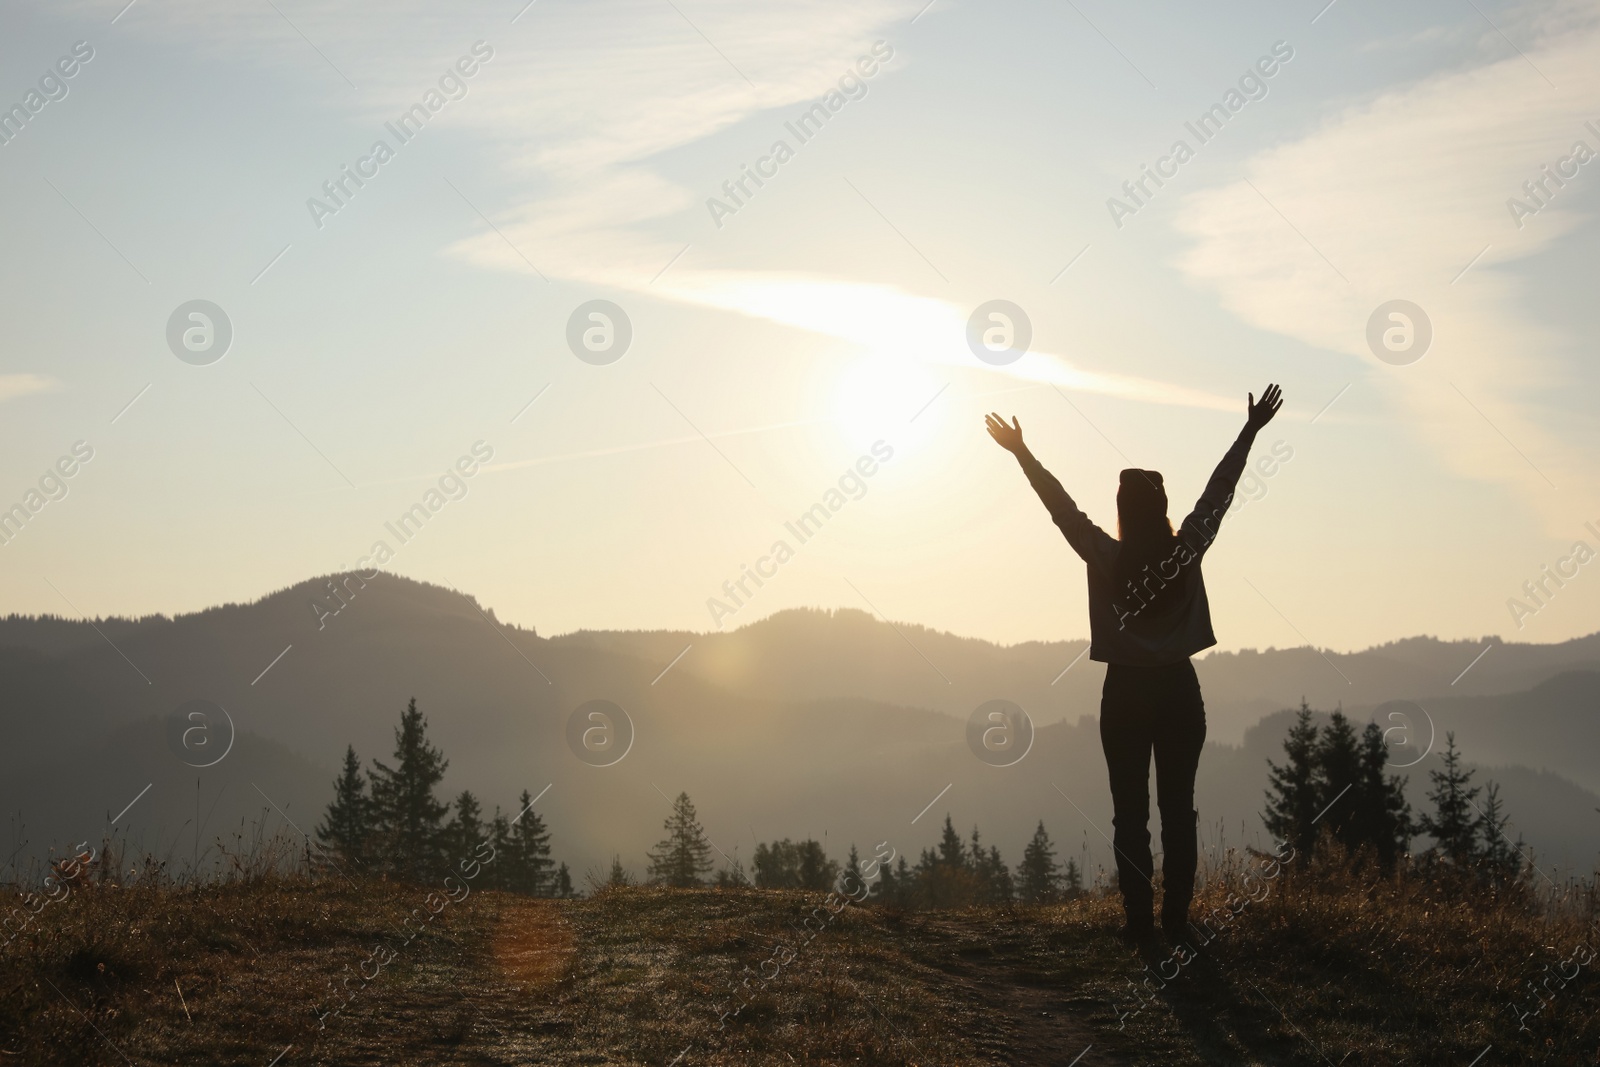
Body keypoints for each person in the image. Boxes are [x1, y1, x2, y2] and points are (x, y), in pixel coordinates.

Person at [985, 384, 1283, 945]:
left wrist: (1021, 452)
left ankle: (1139, 925)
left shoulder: (1104, 555)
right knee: (1179, 810)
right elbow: (1220, 493)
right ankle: (1176, 922)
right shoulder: (1188, 548)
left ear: (1122, 512)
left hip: (1122, 694)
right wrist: (1250, 431)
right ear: (1165, 510)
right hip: (1178, 691)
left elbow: (1061, 509)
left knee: (1130, 813)